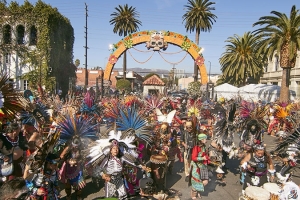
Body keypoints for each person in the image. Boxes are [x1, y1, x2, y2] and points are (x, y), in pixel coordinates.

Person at [190, 133, 210, 199]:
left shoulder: (204, 146)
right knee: (196, 181)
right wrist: (202, 158)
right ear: (201, 140)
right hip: (196, 167)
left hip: (203, 165)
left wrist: (207, 158)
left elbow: (204, 154)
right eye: (205, 139)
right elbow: (193, 158)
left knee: (205, 181)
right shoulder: (196, 147)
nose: (206, 140)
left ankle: (198, 191)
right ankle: (193, 195)